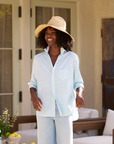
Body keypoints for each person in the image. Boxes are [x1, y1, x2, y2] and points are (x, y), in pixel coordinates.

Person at [28, 16, 84, 144]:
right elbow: (32, 83)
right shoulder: (38, 59)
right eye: (47, 33)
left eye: (53, 32)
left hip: (65, 110)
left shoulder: (72, 58)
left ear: (60, 35)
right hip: (44, 109)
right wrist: (34, 97)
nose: (49, 35)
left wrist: (79, 95)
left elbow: (78, 82)